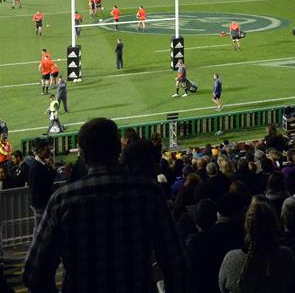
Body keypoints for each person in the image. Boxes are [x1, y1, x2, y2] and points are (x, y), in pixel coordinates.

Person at [24, 118, 186, 292]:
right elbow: (175, 259)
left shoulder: (63, 200)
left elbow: (34, 273)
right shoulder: (149, 191)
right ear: (118, 148)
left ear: (82, 153)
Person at [218, 200, 295, 293]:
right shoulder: (286, 256)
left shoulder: (231, 259)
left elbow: (222, 289)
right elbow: (293, 285)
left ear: (247, 226)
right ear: (274, 225)